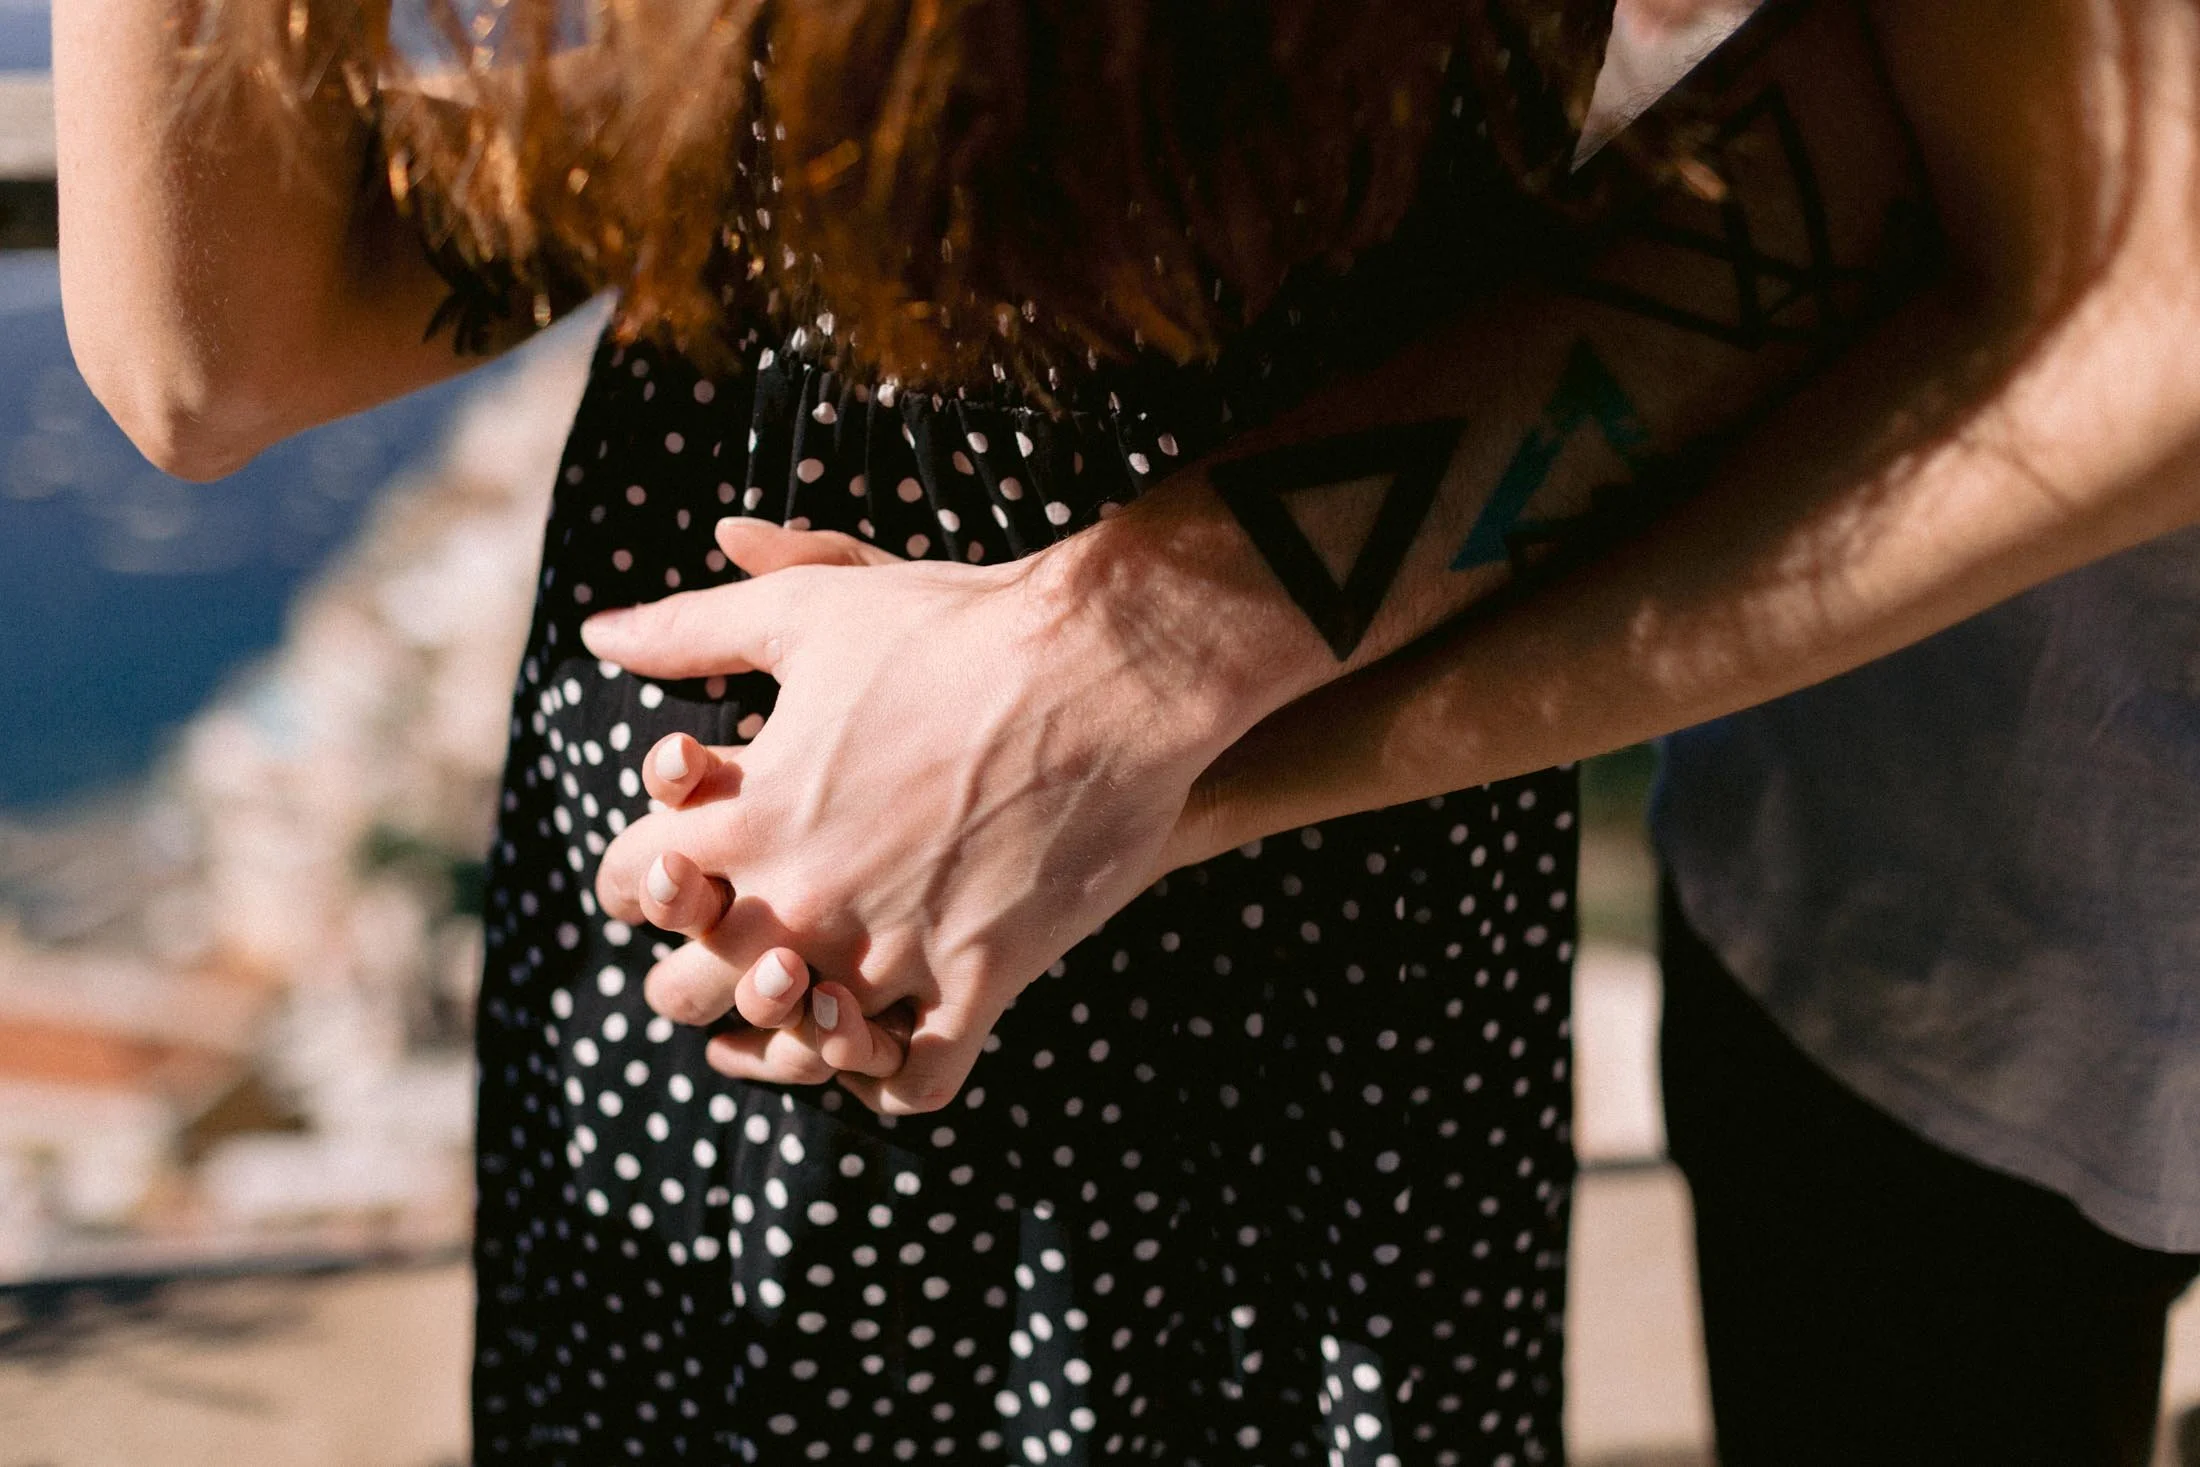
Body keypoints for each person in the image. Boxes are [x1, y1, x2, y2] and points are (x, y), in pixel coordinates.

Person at [575, 0, 2200, 1463]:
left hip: (1844, 839)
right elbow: (1870, 135)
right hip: (1918, 872)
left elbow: (2143, 313)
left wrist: (1136, 687)